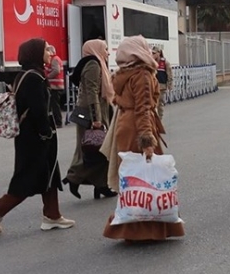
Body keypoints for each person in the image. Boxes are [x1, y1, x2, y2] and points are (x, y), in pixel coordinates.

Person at [0, 39, 75, 234]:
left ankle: (52, 215)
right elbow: (38, 110)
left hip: (31, 136)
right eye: (46, 49)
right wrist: (46, 133)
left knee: (49, 174)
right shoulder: (33, 78)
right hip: (35, 138)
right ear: (35, 53)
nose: (50, 53)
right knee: (28, 178)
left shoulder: (26, 75)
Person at [102, 36, 184, 241]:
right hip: (138, 128)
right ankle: (147, 229)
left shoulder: (122, 74)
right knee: (149, 179)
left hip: (124, 125)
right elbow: (144, 108)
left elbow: (119, 100)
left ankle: (130, 225)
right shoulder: (143, 75)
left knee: (132, 177)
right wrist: (147, 141)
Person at [63, 40, 117, 200]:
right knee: (97, 150)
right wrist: (96, 119)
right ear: (96, 49)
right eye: (105, 49)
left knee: (97, 150)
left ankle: (101, 185)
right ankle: (76, 178)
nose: (108, 52)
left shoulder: (96, 64)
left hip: (97, 111)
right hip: (92, 114)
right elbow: (92, 92)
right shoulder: (93, 65)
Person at [44, 45, 65, 128]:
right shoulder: (55, 59)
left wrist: (47, 77)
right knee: (54, 105)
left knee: (54, 105)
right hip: (55, 85)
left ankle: (58, 122)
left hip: (55, 86)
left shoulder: (54, 59)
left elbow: (56, 70)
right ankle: (56, 122)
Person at [152, 46, 173, 120]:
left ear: (159, 53)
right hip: (152, 86)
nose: (153, 55)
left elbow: (169, 74)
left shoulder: (165, 63)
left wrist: (170, 85)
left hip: (162, 86)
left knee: (159, 103)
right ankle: (153, 119)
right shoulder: (151, 63)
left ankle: (159, 118)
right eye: (152, 53)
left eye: (154, 53)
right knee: (152, 103)